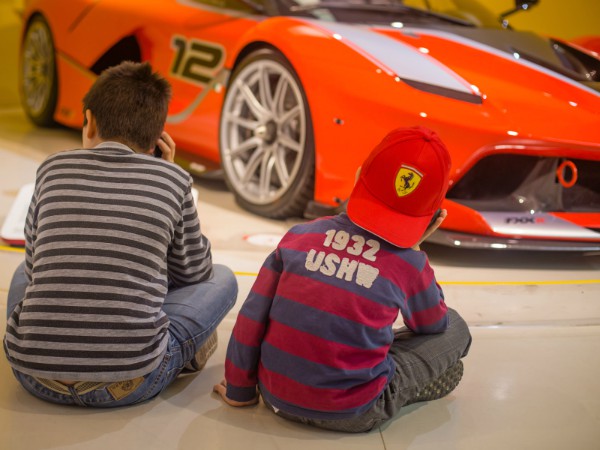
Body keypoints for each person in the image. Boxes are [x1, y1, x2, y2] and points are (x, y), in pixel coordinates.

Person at [4, 61, 238, 407]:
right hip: (131, 381)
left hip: (33, 376)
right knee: (222, 279)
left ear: (90, 121)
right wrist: (169, 175)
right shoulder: (172, 181)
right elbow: (195, 272)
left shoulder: (52, 169)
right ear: (157, 138)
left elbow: (34, 265)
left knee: (22, 276)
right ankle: (179, 352)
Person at [213, 126, 472, 432]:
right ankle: (397, 385)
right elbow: (431, 325)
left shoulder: (299, 237)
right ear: (436, 218)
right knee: (455, 326)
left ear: (358, 176)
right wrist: (416, 250)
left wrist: (239, 390)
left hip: (275, 397)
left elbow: (252, 316)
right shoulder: (409, 264)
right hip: (355, 412)